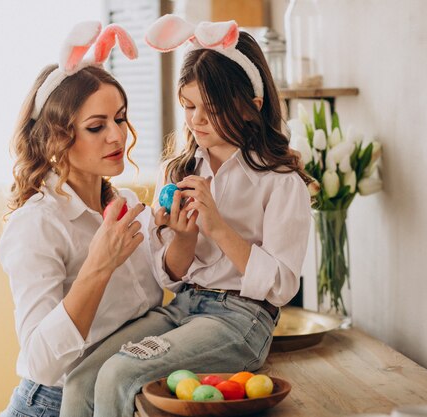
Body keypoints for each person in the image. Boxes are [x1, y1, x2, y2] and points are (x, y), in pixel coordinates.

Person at [60, 15, 312, 417]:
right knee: (81, 377)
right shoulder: (178, 172)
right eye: (189, 106)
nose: (196, 121)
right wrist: (185, 238)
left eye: (210, 110)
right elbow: (168, 275)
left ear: (252, 109)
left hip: (240, 319)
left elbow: (281, 288)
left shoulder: (280, 181)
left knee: (118, 375)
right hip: (181, 307)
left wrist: (218, 227)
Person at [0, 22, 164, 417]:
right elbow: (40, 361)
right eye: (96, 126)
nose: (117, 136)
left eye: (120, 119)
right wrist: (98, 266)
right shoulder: (37, 224)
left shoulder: (122, 203)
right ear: (57, 137)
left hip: (121, 398)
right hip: (53, 405)